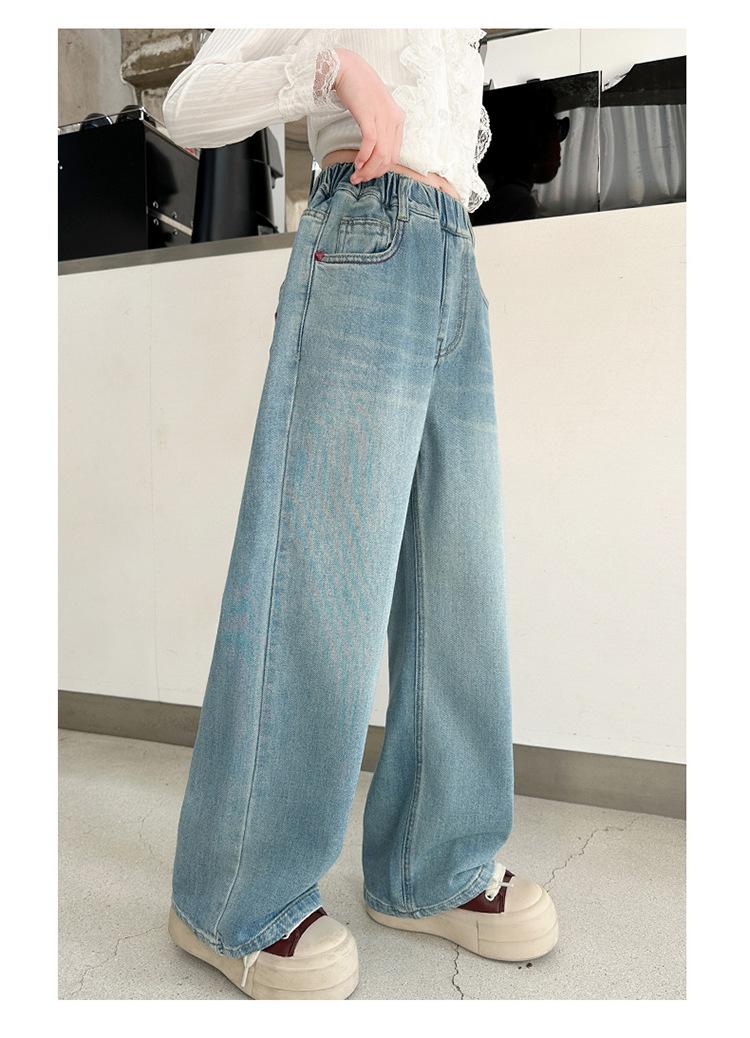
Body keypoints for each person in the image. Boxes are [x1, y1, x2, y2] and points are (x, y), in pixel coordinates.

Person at [161, 27, 558, 1000]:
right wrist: (332, 68)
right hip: (363, 235)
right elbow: (191, 104)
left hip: (452, 256)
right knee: (318, 576)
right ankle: (234, 897)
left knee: (457, 580)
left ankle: (433, 865)